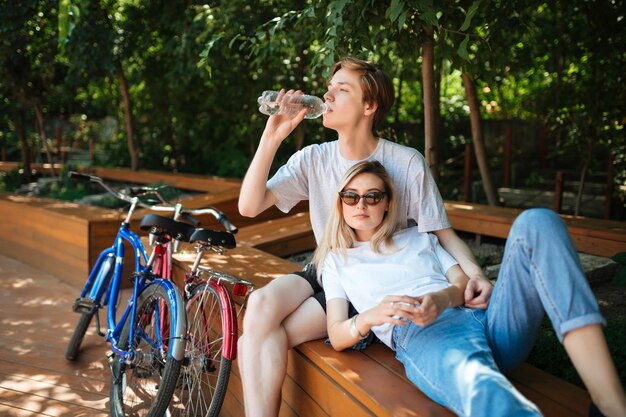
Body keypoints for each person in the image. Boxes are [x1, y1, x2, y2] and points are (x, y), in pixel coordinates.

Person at [237, 57, 493, 417]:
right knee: (261, 306)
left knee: (255, 339)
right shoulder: (314, 158)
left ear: (369, 106)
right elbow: (249, 206)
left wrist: (476, 273)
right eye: (329, 88)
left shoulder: (405, 162)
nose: (327, 95)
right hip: (329, 265)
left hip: (371, 279)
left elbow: (442, 234)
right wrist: (272, 136)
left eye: (342, 90)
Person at [318, 160, 626, 417]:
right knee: (489, 395)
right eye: (351, 196)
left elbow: (461, 280)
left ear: (387, 203)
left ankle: (609, 403)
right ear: (340, 201)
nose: (361, 204)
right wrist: (372, 316)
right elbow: (337, 333)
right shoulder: (337, 261)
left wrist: (443, 298)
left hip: (487, 318)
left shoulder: (418, 237)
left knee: (537, 221)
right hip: (428, 335)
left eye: (372, 196)